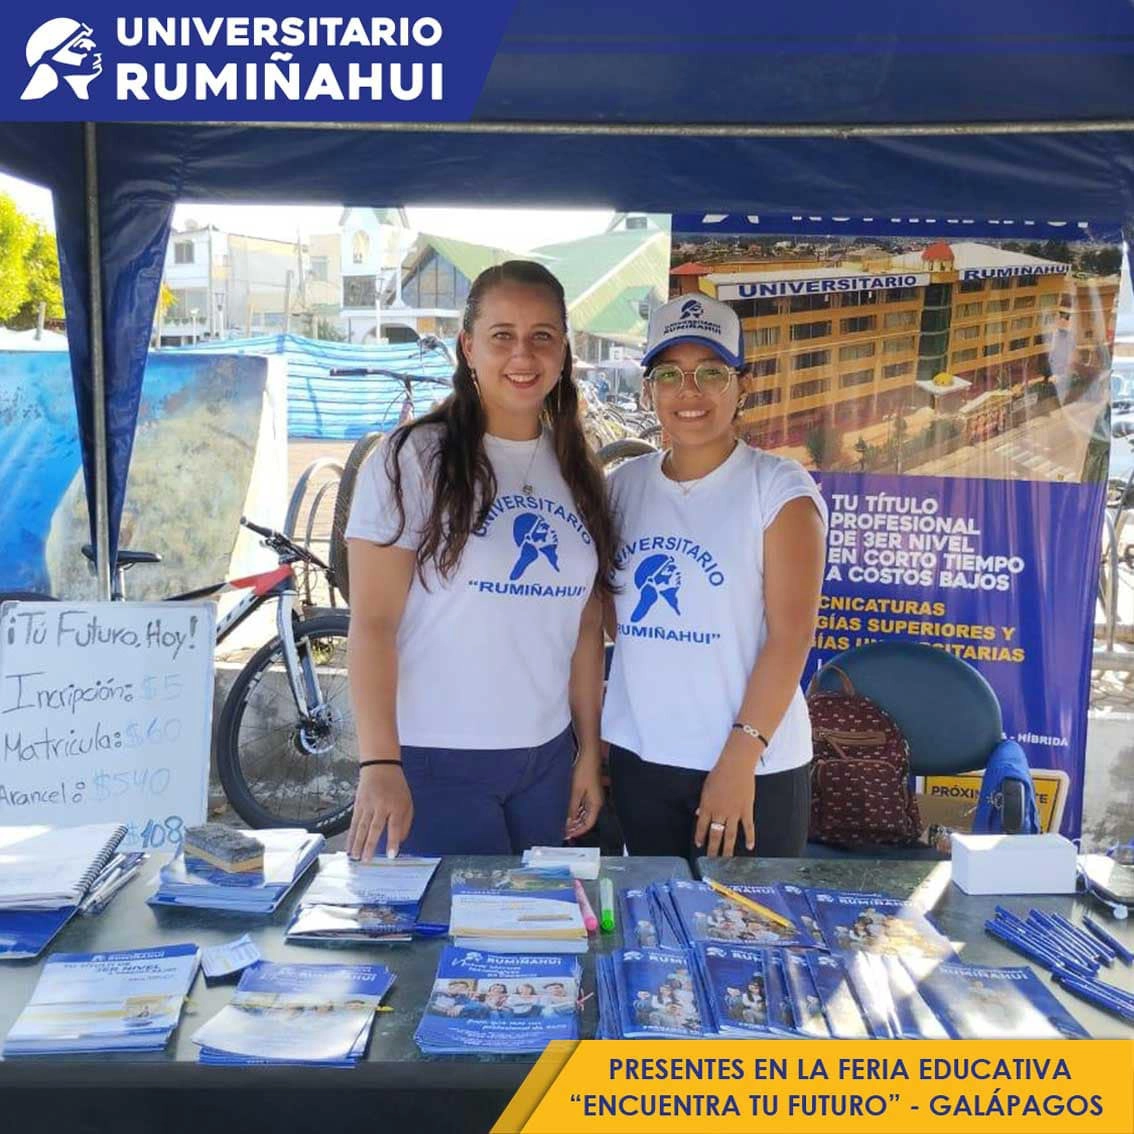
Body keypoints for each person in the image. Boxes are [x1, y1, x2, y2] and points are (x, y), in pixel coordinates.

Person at [345, 261, 616, 859]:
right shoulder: (412, 459)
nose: (524, 354)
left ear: (564, 350)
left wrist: (587, 753)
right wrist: (380, 762)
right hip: (436, 762)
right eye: (503, 336)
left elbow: (587, 626)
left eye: (543, 335)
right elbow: (371, 625)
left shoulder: (576, 469)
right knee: (451, 943)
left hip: (544, 760)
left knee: (532, 943)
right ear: (469, 346)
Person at [602, 293, 827, 862]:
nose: (690, 391)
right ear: (649, 389)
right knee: (651, 934)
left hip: (754, 767)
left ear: (741, 386)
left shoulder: (779, 489)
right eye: (670, 374)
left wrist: (738, 759)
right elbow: (608, 617)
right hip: (643, 757)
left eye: (711, 372)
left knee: (750, 938)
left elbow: (791, 636)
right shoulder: (621, 488)